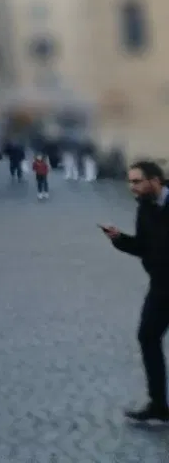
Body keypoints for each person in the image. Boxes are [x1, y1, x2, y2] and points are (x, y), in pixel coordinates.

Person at [102, 160, 169, 424]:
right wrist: (119, 239)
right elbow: (143, 246)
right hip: (161, 287)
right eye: (130, 181)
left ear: (155, 180)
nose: (132, 187)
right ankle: (158, 405)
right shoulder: (145, 207)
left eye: (137, 181)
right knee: (147, 337)